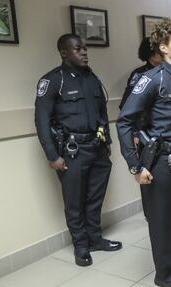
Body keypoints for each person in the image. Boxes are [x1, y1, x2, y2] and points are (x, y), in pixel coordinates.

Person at [117, 18, 171, 287]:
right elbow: (124, 122)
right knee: (162, 219)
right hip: (162, 162)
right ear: (164, 48)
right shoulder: (151, 80)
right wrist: (135, 166)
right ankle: (165, 274)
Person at [34, 34, 121, 267]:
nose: (84, 52)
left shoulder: (92, 78)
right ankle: (81, 246)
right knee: (74, 201)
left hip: (97, 148)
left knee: (95, 198)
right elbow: (42, 121)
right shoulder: (53, 80)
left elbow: (103, 113)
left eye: (85, 48)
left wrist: (108, 143)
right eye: (77, 49)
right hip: (72, 151)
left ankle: (95, 238)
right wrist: (52, 156)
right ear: (64, 53)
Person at [120, 37, 164, 110]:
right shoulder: (139, 73)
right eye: (159, 52)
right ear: (151, 52)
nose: (164, 54)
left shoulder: (168, 71)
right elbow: (127, 102)